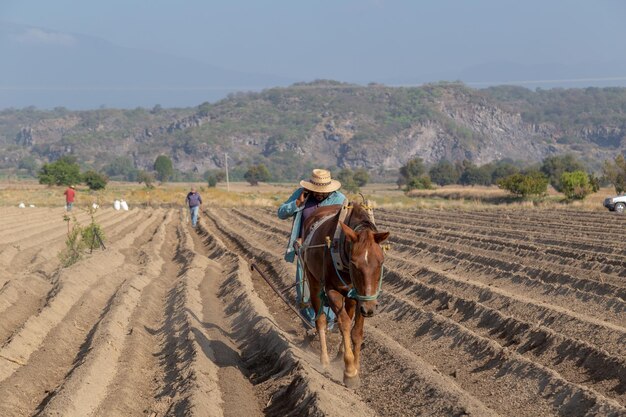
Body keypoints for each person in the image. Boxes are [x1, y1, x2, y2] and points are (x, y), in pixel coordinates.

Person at [278, 169, 347, 328]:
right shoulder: (301, 194)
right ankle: (311, 325)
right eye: (317, 191)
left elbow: (345, 225)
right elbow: (281, 213)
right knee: (304, 293)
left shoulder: (340, 199)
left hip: (330, 252)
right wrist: (296, 204)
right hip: (305, 251)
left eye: (324, 192)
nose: (320, 195)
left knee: (329, 289)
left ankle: (328, 325)